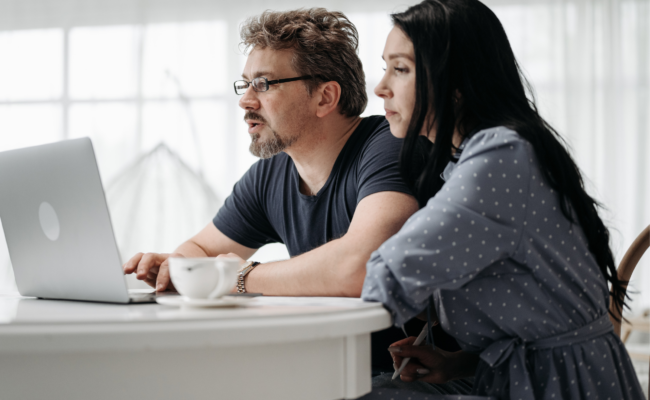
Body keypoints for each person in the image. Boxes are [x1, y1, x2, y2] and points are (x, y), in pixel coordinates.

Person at [360, 0, 645, 399]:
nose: (381, 86)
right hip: (534, 375)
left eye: (401, 69)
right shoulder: (488, 154)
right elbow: (539, 323)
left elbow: (390, 271)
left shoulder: (502, 156)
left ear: (456, 85)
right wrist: (459, 362)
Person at [122, 8, 425, 372]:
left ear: (325, 98)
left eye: (264, 84)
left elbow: (359, 268)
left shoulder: (389, 148)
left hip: (415, 377)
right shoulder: (270, 174)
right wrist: (181, 268)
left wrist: (237, 277)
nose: (246, 101)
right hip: (330, 371)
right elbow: (199, 249)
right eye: (245, 83)